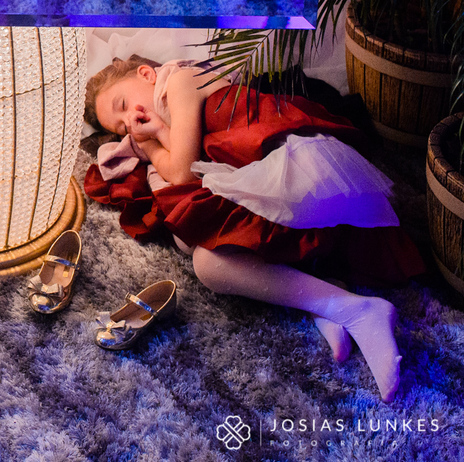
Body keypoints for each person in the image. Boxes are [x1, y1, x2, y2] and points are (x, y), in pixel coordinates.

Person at [83, 56, 425, 403]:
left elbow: (182, 172)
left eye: (123, 105)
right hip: (273, 186)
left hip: (296, 171)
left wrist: (153, 142)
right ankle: (330, 298)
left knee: (206, 262)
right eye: (121, 128)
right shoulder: (167, 112)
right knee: (198, 250)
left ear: (146, 74)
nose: (129, 123)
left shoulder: (181, 81)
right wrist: (157, 138)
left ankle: (354, 309)